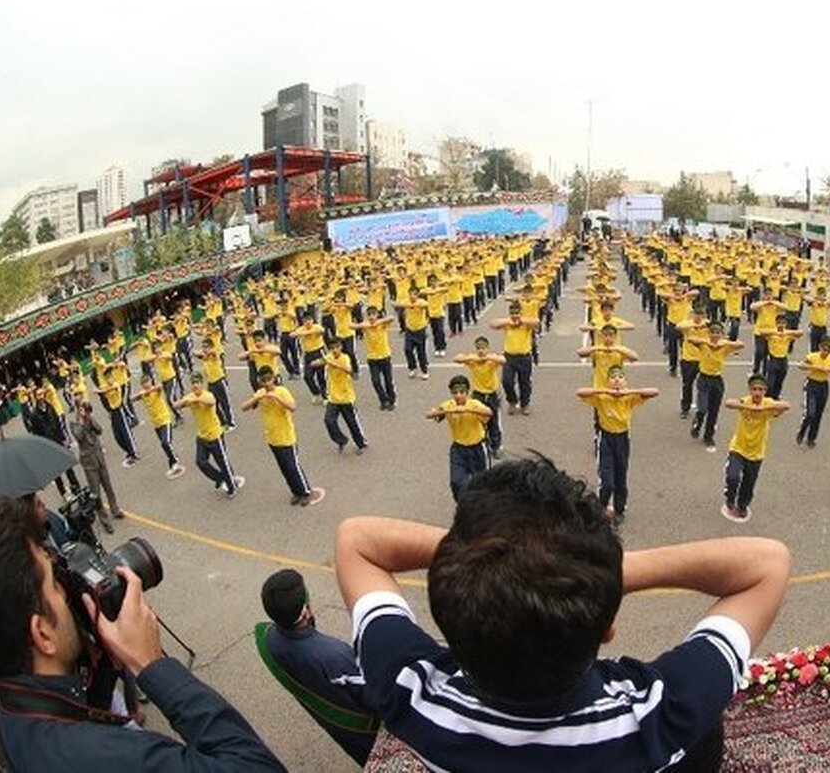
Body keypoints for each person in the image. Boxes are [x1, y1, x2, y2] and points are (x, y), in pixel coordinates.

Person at [333, 456, 791, 772]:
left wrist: (490, 557)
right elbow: (766, 564)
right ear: (608, 623)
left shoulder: (412, 693)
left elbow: (357, 540)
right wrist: (595, 571)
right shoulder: (655, 719)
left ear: (446, 620)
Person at [0, 496, 286, 772]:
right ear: (42, 635)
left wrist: (101, 658)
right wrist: (153, 663)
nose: (68, 593)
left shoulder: (4, 706)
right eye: (54, 584)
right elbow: (257, 766)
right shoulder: (112, 758)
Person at [256, 570, 379, 765]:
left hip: (335, 725)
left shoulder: (268, 638)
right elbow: (376, 695)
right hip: (366, 732)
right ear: (305, 609)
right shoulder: (333, 655)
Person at [576, 365, 658, 523]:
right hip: (606, 439)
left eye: (620, 377)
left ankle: (619, 509)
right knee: (607, 482)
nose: (616, 380)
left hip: (622, 439)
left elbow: (654, 392)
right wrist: (604, 391)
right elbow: (580, 392)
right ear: (608, 382)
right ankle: (601, 508)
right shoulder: (602, 398)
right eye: (613, 377)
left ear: (625, 382)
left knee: (621, 476)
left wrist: (630, 392)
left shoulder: (629, 398)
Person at [241, 367, 325, 507]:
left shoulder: (282, 391)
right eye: (264, 381)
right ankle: (296, 492)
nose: (267, 383)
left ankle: (305, 492)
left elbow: (293, 407)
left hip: (286, 436)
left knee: (293, 466)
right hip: (272, 437)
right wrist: (257, 398)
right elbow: (244, 407)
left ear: (273, 379)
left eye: (269, 379)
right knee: (284, 468)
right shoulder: (260, 393)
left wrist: (276, 397)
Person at [722, 373, 789, 523]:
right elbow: (729, 403)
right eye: (754, 389)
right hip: (738, 448)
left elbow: (786, 406)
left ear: (765, 391)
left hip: (756, 453)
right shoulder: (744, 401)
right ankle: (730, 497)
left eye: (760, 389)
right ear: (750, 390)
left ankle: (742, 505)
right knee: (733, 477)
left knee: (749, 483)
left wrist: (764, 409)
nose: (757, 392)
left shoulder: (768, 403)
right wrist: (747, 406)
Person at [176, 372, 244, 499]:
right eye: (193, 383)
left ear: (202, 384)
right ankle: (219, 478)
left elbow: (210, 402)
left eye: (197, 383)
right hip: (202, 436)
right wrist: (184, 401)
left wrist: (194, 399)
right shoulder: (189, 397)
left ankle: (232, 486)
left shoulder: (208, 395)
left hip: (215, 436)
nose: (195, 385)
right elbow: (176, 405)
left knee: (222, 462)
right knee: (200, 462)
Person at [425, 375, 492, 500]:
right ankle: (463, 504)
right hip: (458, 449)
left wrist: (468, 410)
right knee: (456, 482)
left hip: (477, 448)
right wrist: (446, 411)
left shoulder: (475, 404)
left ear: (467, 393)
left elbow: (488, 412)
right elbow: (429, 414)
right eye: (455, 393)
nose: (458, 395)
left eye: (462, 392)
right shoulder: (448, 405)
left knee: (483, 483)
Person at [68, 401, 124, 533]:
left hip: (99, 457)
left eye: (85, 409)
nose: (83, 412)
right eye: (81, 409)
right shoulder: (74, 423)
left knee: (108, 486)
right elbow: (79, 437)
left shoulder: (89, 418)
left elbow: (99, 430)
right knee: (96, 493)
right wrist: (81, 422)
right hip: (89, 462)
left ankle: (115, 509)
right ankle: (104, 520)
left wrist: (90, 418)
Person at [691, 322, 744, 452]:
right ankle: (697, 422)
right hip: (704, 378)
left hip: (717, 380)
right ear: (709, 334)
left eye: (718, 333)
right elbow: (691, 339)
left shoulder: (724, 347)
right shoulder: (704, 345)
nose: (715, 335)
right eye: (713, 332)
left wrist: (724, 343)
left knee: (714, 411)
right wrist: (708, 342)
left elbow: (741, 345)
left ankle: (708, 436)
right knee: (703, 408)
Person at [316, 337, 368, 455]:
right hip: (333, 397)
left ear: (341, 347)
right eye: (332, 348)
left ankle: (361, 443)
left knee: (351, 422)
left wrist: (332, 363)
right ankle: (341, 440)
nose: (334, 350)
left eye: (336, 347)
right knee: (329, 421)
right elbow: (317, 362)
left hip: (346, 397)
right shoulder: (328, 357)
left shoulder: (345, 358)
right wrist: (319, 362)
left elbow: (348, 370)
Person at [455, 337, 506, 457]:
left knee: (494, 422)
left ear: (488, 348)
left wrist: (487, 357)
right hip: (478, 395)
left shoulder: (491, 361)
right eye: (478, 348)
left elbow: (503, 360)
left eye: (483, 348)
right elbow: (457, 359)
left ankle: (496, 446)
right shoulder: (473, 361)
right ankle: (482, 445)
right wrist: (473, 357)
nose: (481, 351)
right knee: (478, 421)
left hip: (492, 395)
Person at [131, 374, 186, 479]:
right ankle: (173, 459)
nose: (146, 385)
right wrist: (141, 394)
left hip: (165, 420)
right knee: (165, 444)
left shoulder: (156, 390)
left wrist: (149, 390)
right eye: (143, 383)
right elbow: (131, 398)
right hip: (156, 424)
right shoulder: (143, 394)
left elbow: (160, 386)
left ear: (151, 381)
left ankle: (175, 462)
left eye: (147, 382)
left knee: (165, 442)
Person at [491, 302, 540, 416]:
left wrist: (521, 321)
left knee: (525, 383)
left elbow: (536, 322)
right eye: (512, 313)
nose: (514, 315)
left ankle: (525, 404)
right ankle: (512, 401)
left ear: (520, 313)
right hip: (509, 357)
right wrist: (509, 321)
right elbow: (493, 324)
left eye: (517, 313)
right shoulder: (507, 324)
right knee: (507, 381)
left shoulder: (526, 324)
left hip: (524, 357)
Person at [795, 335, 830, 448]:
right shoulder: (813, 356)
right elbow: (801, 365)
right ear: (819, 347)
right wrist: (815, 367)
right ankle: (802, 430)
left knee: (818, 414)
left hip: (823, 386)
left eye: (828, 350)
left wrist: (829, 369)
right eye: (824, 349)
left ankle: (811, 438)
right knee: (810, 412)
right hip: (812, 384)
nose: (825, 352)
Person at [350, 307, 397, 411]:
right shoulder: (365, 325)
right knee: (375, 381)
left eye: (373, 314)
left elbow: (392, 318)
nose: (371, 317)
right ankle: (383, 400)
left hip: (385, 356)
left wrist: (378, 322)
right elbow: (351, 326)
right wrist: (363, 325)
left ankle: (392, 400)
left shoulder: (382, 325)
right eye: (369, 315)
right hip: (372, 359)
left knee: (388, 381)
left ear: (377, 315)